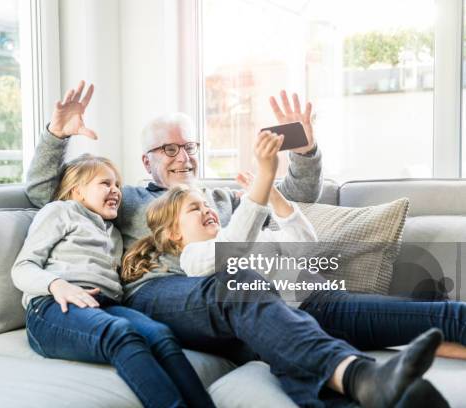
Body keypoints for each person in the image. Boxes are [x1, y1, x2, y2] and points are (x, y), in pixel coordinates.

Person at [27, 80, 466, 361]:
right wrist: (57, 135)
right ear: (146, 160)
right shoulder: (129, 198)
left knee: (424, 311)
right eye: (170, 149)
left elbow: (292, 200)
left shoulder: (220, 197)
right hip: (165, 290)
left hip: (256, 291)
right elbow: (45, 194)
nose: (184, 156)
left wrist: (304, 153)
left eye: (190, 146)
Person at [120, 131, 448, 407]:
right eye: (196, 208)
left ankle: (383, 384)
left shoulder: (241, 231)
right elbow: (230, 249)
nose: (208, 210)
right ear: (173, 233)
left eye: (208, 206)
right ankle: (369, 381)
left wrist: (273, 193)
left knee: (439, 314)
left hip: (310, 304)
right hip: (297, 309)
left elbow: (305, 246)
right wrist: (262, 180)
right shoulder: (196, 256)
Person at [12, 154, 216, 408]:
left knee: (161, 335)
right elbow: (22, 267)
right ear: (77, 191)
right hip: (52, 306)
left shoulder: (114, 232)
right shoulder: (60, 211)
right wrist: (57, 285)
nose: (115, 191)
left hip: (103, 305)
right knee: (121, 333)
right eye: (105, 184)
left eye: (117, 185)